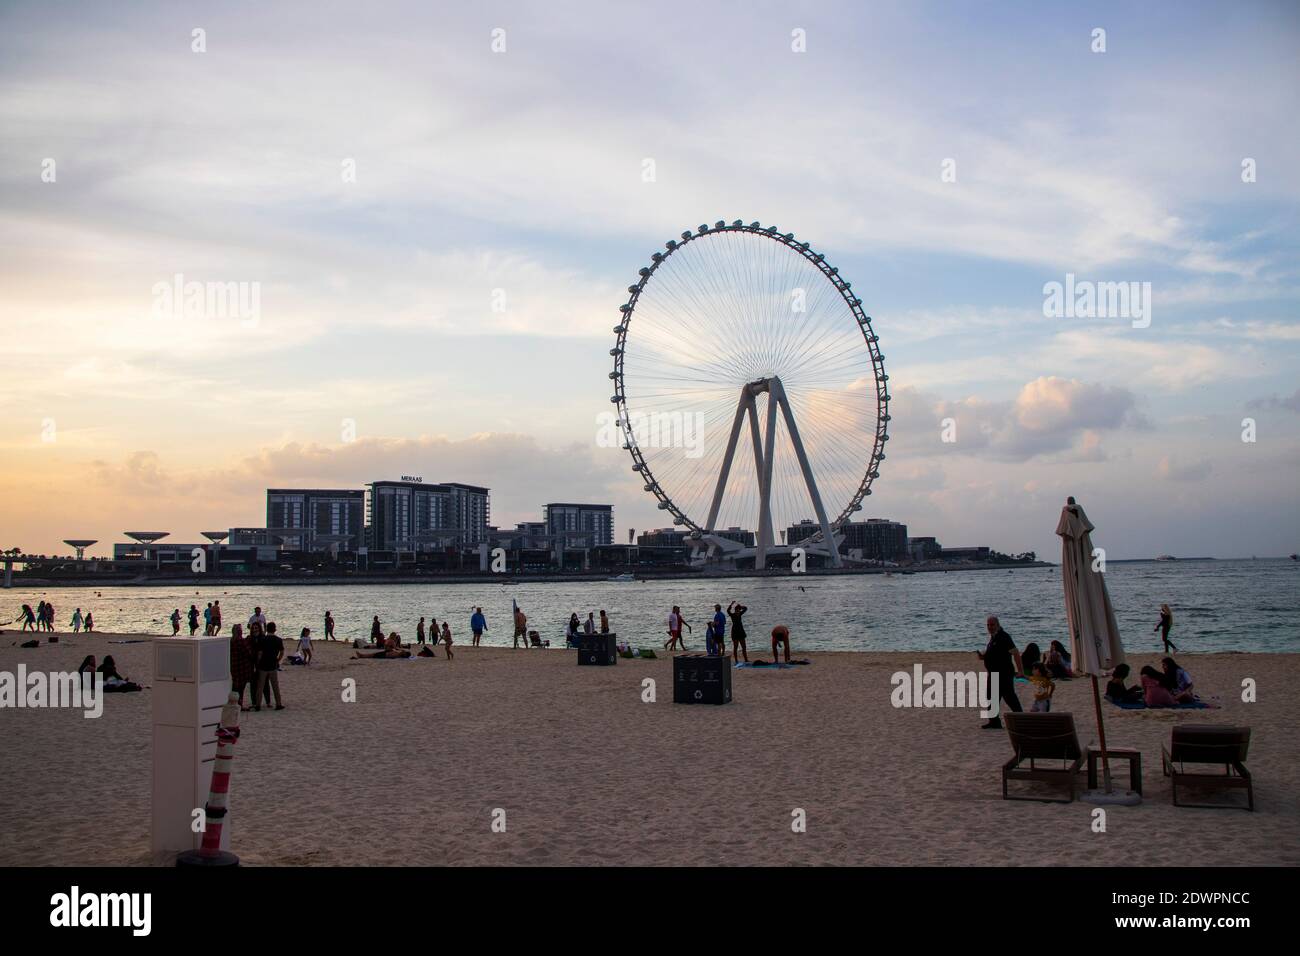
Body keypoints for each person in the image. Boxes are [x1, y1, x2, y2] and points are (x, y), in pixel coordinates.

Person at [976, 615, 1023, 729]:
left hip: (1004, 674)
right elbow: (993, 654)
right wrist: (983, 657)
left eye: (992, 625)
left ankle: (1022, 719)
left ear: (998, 625)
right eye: (988, 625)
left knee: (1009, 697)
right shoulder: (993, 637)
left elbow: (1015, 653)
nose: (989, 627)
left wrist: (1020, 670)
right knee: (991, 697)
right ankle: (994, 722)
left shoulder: (1004, 637)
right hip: (993, 674)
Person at [253, 622, 285, 711]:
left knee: (260, 686)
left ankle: (258, 705)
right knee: (275, 686)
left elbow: (260, 653)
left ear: (267, 629)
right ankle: (278, 704)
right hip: (273, 665)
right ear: (274, 629)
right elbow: (282, 652)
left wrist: (258, 663)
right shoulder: (278, 640)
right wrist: (278, 660)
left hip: (263, 665)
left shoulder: (262, 639)